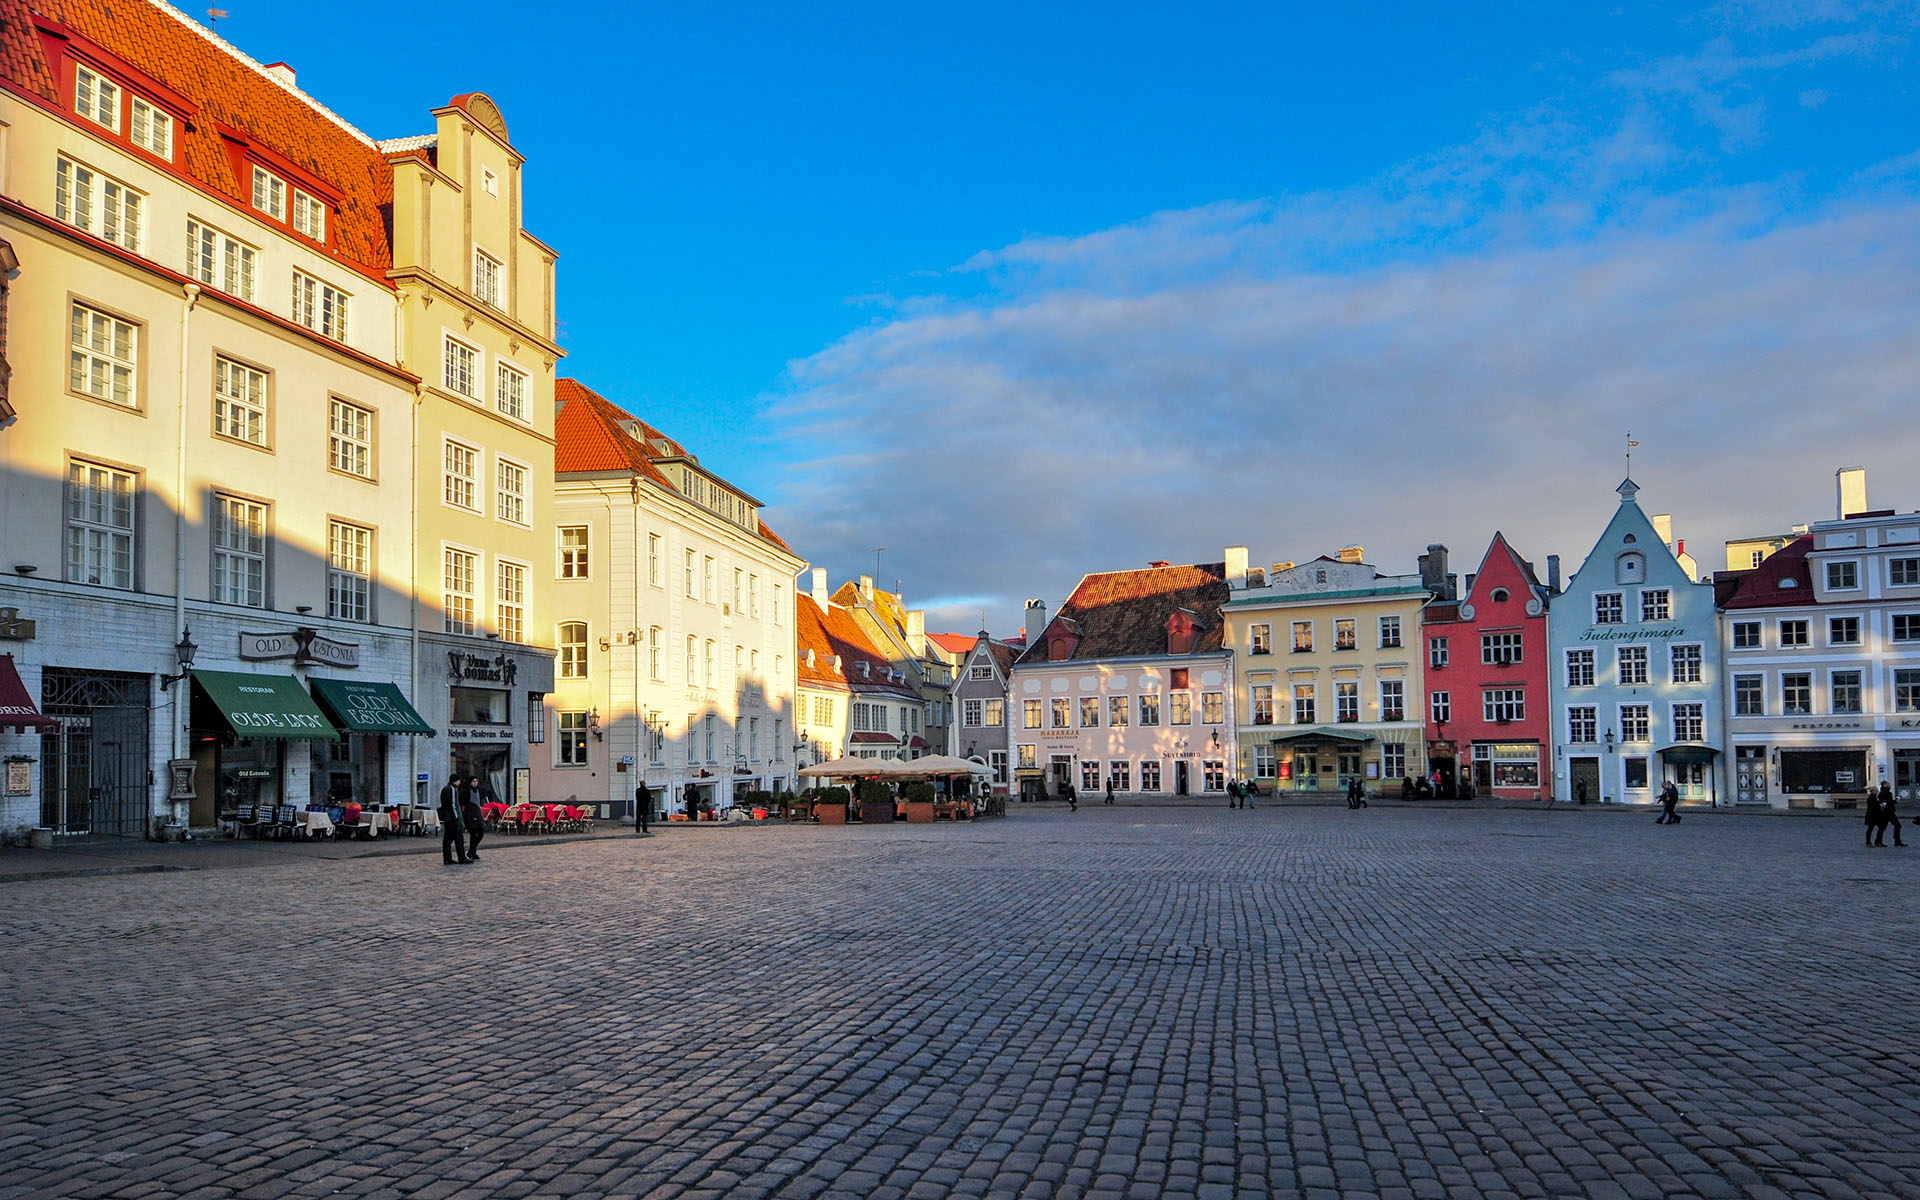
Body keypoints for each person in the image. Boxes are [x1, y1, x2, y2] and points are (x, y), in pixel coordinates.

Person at [437, 775, 469, 865]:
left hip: (447, 818)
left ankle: (447, 858)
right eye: (458, 781)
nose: (459, 783)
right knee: (458, 838)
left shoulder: (445, 789)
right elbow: (453, 805)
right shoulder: (451, 790)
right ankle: (461, 858)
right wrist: (456, 818)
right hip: (452, 818)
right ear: (455, 781)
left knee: (447, 839)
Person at [461, 775, 486, 860]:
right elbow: (462, 803)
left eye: (476, 781)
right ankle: (472, 852)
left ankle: (472, 851)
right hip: (470, 814)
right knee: (473, 833)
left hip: (478, 813)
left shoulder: (479, 791)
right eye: (473, 781)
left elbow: (480, 801)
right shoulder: (466, 791)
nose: (475, 783)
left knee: (480, 833)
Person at [1878, 780, 1905, 847]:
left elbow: (1887, 802)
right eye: (1888, 784)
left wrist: (1894, 802)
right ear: (1885, 785)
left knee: (1894, 826)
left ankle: (1897, 841)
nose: (1890, 785)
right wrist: (1895, 801)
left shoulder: (1886, 792)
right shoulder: (1884, 793)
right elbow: (1885, 802)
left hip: (1889, 812)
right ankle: (1880, 841)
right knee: (1885, 827)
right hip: (1887, 812)